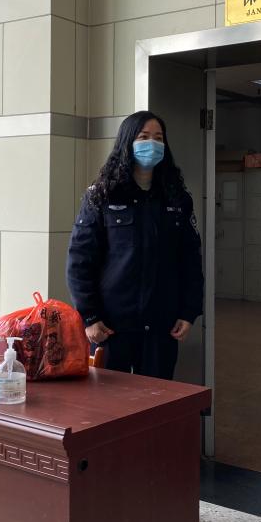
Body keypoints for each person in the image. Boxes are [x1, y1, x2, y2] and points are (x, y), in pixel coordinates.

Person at [66, 111, 204, 380]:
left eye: (158, 138)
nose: (152, 143)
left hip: (162, 324)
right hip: (111, 325)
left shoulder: (177, 198)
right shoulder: (102, 195)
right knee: (107, 397)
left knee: (156, 397)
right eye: (143, 137)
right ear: (127, 142)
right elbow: (80, 261)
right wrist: (90, 317)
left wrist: (189, 312)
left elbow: (190, 260)